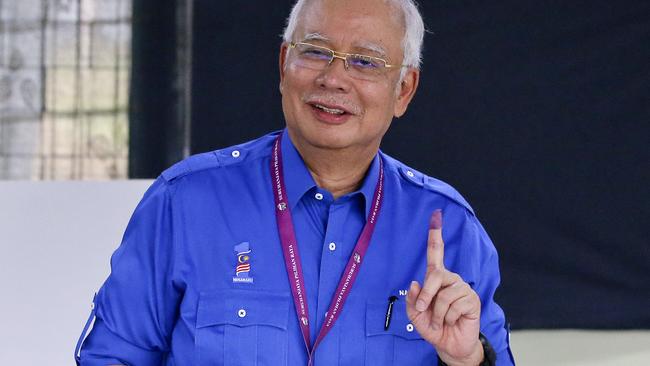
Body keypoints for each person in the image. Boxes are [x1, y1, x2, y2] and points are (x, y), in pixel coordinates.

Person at [75, 0, 515, 365]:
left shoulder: (448, 227)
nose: (333, 78)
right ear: (284, 63)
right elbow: (112, 357)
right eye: (316, 51)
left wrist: (467, 360)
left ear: (404, 90)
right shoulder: (186, 202)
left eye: (365, 61)